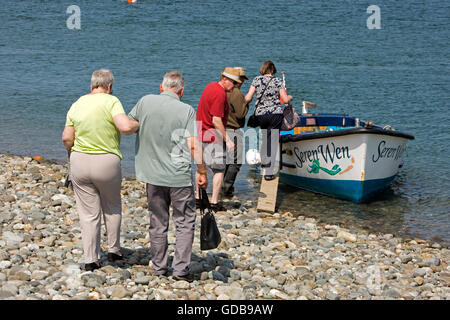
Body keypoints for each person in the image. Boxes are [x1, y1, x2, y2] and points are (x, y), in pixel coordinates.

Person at [128, 71, 208, 282]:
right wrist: (202, 171)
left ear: (161, 87)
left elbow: (129, 125)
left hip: (153, 176)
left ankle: (159, 267)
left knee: (157, 222)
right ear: (181, 91)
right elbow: (193, 145)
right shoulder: (187, 110)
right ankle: (181, 271)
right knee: (184, 222)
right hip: (179, 177)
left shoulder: (145, 102)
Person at [62, 69, 139, 271]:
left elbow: (67, 137)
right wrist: (137, 125)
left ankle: (91, 259)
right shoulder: (111, 101)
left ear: (92, 85)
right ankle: (113, 250)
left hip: (79, 161)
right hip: (106, 162)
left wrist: (71, 155)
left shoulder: (77, 103)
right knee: (112, 206)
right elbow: (124, 127)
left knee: (88, 213)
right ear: (110, 86)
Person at [195, 67, 240, 211]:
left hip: (200, 132)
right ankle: (214, 203)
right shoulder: (220, 93)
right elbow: (216, 120)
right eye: (233, 82)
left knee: (201, 168)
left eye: (236, 83)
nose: (235, 86)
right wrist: (228, 139)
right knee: (219, 170)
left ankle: (198, 199)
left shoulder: (210, 86)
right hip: (212, 136)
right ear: (224, 79)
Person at [245, 61, 292, 180]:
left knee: (265, 138)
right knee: (273, 141)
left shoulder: (256, 80)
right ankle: (269, 172)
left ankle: (264, 162)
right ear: (272, 70)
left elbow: (248, 97)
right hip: (275, 114)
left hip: (261, 115)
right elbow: (285, 100)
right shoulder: (278, 81)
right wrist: (290, 97)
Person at [222, 67, 249, 197]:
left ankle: (221, 185)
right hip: (233, 129)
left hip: (221, 129)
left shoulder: (222, 90)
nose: (243, 81)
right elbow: (241, 113)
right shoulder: (237, 93)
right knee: (236, 161)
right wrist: (246, 102)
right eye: (242, 78)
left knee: (224, 160)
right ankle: (226, 188)